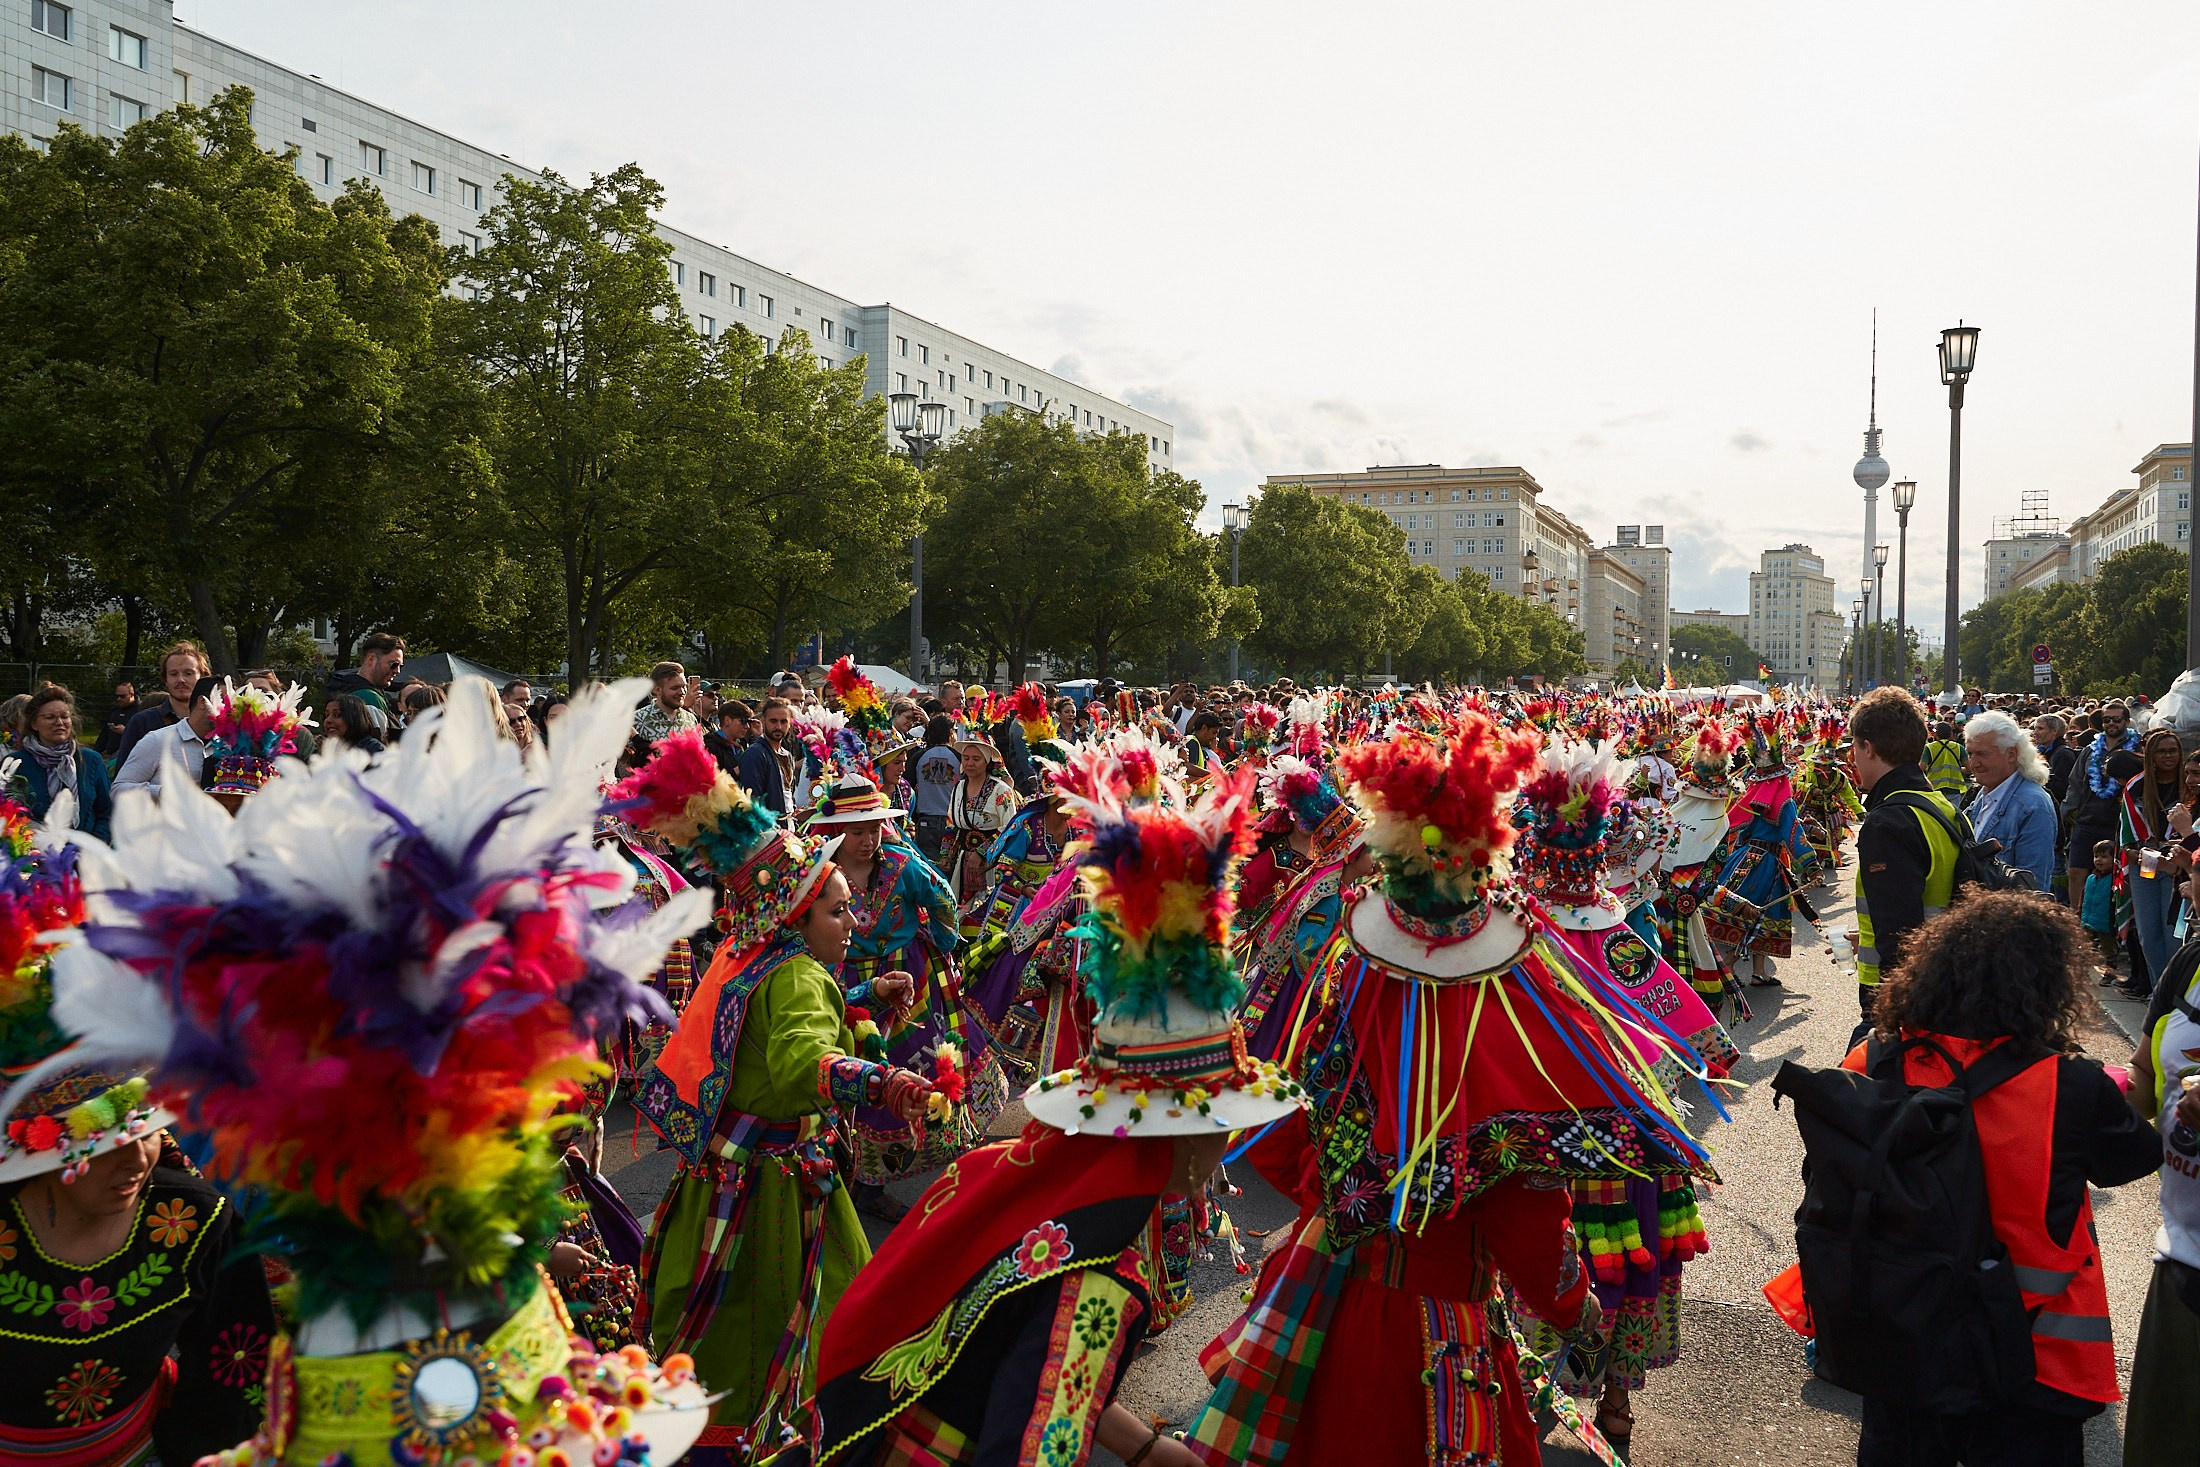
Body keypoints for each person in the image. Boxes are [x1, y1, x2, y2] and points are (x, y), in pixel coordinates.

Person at [1186, 712, 1705, 1466]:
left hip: (1323, 1293)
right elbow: (1525, 1225)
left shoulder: (1346, 979)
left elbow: (1274, 1128)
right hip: (1437, 1325)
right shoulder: (1506, 1021)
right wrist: (1576, 1308)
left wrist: (1334, 1204)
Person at [791, 774, 1300, 1467]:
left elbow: (1026, 1354)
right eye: (1223, 1116)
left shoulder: (1023, 1181)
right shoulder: (1107, 1267)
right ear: (1181, 1130)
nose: (1231, 1136)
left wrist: (1145, 1446)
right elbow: (1035, 1443)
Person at [613, 733, 934, 1460]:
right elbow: (799, 1060)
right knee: (826, 1320)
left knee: (721, 1333)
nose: (853, 923)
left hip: (721, 1180)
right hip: (772, 1195)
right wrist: (885, 1079)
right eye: (838, 911)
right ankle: (791, 1438)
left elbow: (763, 1043)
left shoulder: (748, 954)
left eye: (850, 909)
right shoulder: (799, 975)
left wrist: (863, 995)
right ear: (795, 917)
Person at [0, 780, 277, 1466]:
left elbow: (232, 1372)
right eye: (105, 1141)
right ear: (35, 1147)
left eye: (147, 1129)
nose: (136, 1157)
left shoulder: (199, 1218)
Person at [1848, 893, 2158, 1467]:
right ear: (2048, 987)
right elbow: (2135, 1158)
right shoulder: (2070, 1085)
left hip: (1904, 1332)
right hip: (2034, 1353)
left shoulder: (1873, 1060)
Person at [1847, 686, 1961, 1029]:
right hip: (1940, 976)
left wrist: (1892, 1016)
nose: (1853, 758)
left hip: (1901, 994)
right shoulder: (1940, 806)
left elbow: (1899, 934)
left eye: (1854, 748)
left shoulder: (1888, 823)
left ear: (1868, 747)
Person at [2119, 728, 2185, 994]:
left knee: (2172, 935)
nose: (2168, 756)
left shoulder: (2189, 785)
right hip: (2144, 864)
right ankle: (2160, 992)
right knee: (2148, 934)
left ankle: (2175, 994)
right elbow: (2127, 831)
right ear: (2150, 756)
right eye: (2161, 751)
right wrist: (2133, 852)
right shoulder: (2136, 786)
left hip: (2177, 867)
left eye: (2173, 751)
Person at [1963, 709, 2058, 889]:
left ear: (2012, 754)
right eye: (1970, 754)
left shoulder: (2033, 805)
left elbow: (2032, 888)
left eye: (1982, 754)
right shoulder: (1983, 795)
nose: (1973, 764)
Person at [6, 683, 113, 841]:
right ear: (34, 724)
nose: (59, 722)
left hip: (85, 857)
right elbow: (8, 815)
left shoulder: (91, 761)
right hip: (33, 858)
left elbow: (107, 812)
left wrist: (92, 850)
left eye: (65, 716)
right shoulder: (16, 763)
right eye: (50, 717)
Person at [2065, 700, 2137, 907]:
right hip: (2087, 818)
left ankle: (2109, 921)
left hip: (2117, 820)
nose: (2111, 723)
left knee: (2114, 872)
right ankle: (2076, 919)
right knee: (2076, 870)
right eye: (2107, 720)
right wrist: (2070, 812)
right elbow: (2075, 783)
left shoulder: (2136, 747)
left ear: (2126, 721)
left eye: (2117, 719)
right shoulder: (2090, 749)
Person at [944, 731, 1020, 923]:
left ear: (987, 761)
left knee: (985, 915)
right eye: (966, 758)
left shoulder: (1001, 790)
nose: (970, 763)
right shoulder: (959, 787)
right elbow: (952, 823)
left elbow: (1010, 827)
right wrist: (945, 855)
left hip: (990, 866)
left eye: (976, 759)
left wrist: (982, 853)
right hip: (962, 863)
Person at [112, 674, 219, 798]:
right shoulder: (158, 741)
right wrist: (165, 792)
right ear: (202, 702)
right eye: (224, 700)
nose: (231, 708)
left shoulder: (229, 747)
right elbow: (118, 790)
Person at [112, 639, 210, 766]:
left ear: (203, 677)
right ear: (166, 680)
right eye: (173, 674)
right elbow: (123, 779)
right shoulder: (142, 722)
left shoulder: (217, 723)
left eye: (188, 673)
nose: (181, 679)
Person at [734, 696, 821, 824]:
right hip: (769, 834)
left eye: (783, 721)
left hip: (789, 830)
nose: (779, 727)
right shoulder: (755, 754)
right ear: (763, 721)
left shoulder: (788, 755)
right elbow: (752, 803)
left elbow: (788, 798)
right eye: (773, 721)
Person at [909, 713, 960, 860]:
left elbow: (908, 785)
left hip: (926, 822)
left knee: (929, 866)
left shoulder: (919, 757)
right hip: (951, 822)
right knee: (949, 864)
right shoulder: (959, 757)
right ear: (950, 733)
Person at [323, 630, 406, 720]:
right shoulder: (370, 698)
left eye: (400, 666)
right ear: (371, 659)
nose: (397, 671)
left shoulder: (341, 687)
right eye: (394, 664)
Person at [635, 661, 700, 745]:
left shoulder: (690, 719)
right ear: (657, 689)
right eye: (675, 688)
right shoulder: (637, 720)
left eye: (684, 686)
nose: (682, 692)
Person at [2082, 840, 2121, 979]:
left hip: (2105, 922)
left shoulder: (2114, 880)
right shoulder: (2091, 878)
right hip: (2088, 919)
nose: (2099, 860)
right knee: (2085, 947)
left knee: (2108, 950)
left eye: (2104, 857)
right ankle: (2082, 973)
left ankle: (2110, 972)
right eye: (2096, 856)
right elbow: (2085, 896)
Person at [318, 691, 388, 755]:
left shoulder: (374, 749)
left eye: (337, 715)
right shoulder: (320, 749)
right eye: (327, 715)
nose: (328, 720)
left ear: (354, 718)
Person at [1923, 717, 1970, 802]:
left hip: (1934, 790)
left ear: (1936, 734)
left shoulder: (1929, 748)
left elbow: (1920, 769)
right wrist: (1957, 769)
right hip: (1954, 790)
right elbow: (1970, 769)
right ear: (1951, 734)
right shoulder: (1958, 747)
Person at [706, 699, 754, 776]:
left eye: (749, 722)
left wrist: (758, 736)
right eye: (743, 721)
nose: (747, 726)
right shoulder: (711, 746)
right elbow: (709, 779)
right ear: (727, 720)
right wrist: (734, 772)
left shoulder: (741, 744)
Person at [95, 678, 137, 760]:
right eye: (117, 696)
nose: (119, 699)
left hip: (131, 755)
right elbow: (104, 733)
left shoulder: (140, 710)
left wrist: (126, 731)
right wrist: (96, 751)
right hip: (112, 754)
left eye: (122, 696)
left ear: (131, 695)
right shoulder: (114, 710)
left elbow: (144, 733)